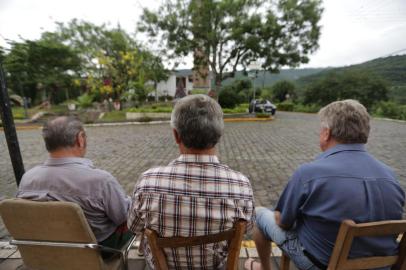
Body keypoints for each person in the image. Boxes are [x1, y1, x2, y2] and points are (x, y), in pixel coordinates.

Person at [246, 99, 405, 270]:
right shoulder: (391, 176)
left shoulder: (309, 173)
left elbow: (283, 222)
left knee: (260, 214)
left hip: (322, 265)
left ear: (326, 133)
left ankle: (264, 268)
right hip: (381, 266)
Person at [128, 94, 255, 269]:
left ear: (176, 135)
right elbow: (247, 229)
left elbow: (134, 226)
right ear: (219, 135)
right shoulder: (241, 186)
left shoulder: (148, 183)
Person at [17, 116, 132, 253]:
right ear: (80, 139)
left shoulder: (27, 179)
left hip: (47, 250)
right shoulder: (100, 181)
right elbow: (124, 216)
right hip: (96, 251)